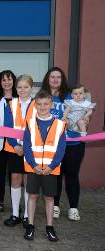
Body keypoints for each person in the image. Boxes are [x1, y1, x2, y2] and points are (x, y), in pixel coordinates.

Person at [41, 67, 86, 221]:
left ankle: (74, 208)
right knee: (56, 175)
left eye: (58, 77)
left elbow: (84, 110)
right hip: (53, 144)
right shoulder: (43, 96)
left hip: (73, 143)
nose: (55, 80)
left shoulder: (71, 95)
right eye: (52, 77)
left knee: (72, 175)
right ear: (48, 79)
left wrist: (85, 118)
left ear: (62, 79)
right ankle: (55, 206)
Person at [23, 90, 66, 242]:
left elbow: (61, 150)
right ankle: (30, 225)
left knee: (49, 198)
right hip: (33, 168)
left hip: (50, 169)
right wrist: (34, 165)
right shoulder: (29, 124)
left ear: (51, 104)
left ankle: (49, 227)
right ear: (35, 105)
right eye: (39, 104)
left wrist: (51, 166)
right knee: (32, 196)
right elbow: (27, 147)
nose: (42, 107)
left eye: (46, 104)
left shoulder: (60, 125)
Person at [3, 75, 36, 228]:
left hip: (31, 150)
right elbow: (7, 127)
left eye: (26, 87)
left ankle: (27, 216)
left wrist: (26, 147)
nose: (22, 90)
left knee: (28, 182)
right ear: (16, 89)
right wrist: (15, 145)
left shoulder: (38, 104)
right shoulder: (10, 104)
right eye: (20, 87)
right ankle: (15, 214)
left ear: (32, 88)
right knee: (15, 180)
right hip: (14, 148)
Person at [0, 70, 18, 212]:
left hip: (16, 143)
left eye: (9, 79)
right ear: (0, 82)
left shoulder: (20, 99)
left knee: (15, 173)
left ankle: (16, 202)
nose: (7, 82)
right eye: (4, 80)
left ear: (14, 81)